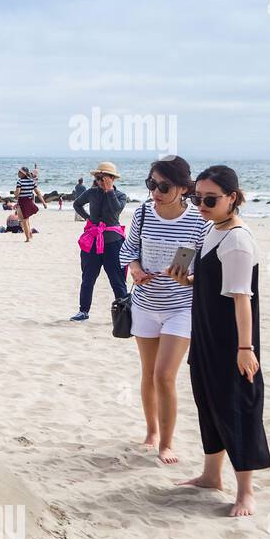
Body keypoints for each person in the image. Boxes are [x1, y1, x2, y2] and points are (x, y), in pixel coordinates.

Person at [166, 165, 269, 516]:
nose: (201, 204)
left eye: (210, 199)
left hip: (231, 341)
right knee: (208, 404)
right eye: (197, 197)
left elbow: (243, 299)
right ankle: (212, 475)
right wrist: (188, 280)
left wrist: (246, 349)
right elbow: (217, 286)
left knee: (237, 409)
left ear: (233, 198)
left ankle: (246, 492)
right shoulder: (214, 230)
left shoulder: (238, 240)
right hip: (206, 333)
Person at [119, 156, 207, 464]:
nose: (155, 191)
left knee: (164, 375)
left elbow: (206, 270)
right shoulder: (143, 212)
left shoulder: (199, 221)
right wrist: (135, 269)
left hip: (181, 307)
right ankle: (152, 431)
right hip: (145, 303)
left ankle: (166, 444)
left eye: (164, 186)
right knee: (148, 373)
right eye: (151, 184)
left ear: (183, 188)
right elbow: (127, 250)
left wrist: (188, 278)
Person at [70, 162, 129, 321]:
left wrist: (109, 191)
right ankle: (83, 311)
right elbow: (77, 204)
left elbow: (116, 209)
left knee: (117, 280)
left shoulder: (121, 195)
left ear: (112, 179)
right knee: (88, 278)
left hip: (114, 242)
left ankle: (123, 313)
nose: (100, 181)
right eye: (98, 178)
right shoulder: (91, 192)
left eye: (104, 178)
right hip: (93, 241)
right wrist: (89, 218)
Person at [13, 166, 45, 242]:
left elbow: (17, 193)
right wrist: (43, 202)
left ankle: (27, 238)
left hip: (22, 203)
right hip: (29, 202)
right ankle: (29, 234)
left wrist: (15, 194)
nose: (18, 173)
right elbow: (37, 192)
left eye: (19, 172)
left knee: (23, 221)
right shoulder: (32, 181)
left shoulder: (20, 182)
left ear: (23, 174)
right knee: (26, 219)